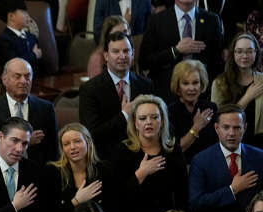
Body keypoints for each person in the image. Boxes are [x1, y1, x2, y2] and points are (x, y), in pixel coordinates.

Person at [113, 94, 188, 212]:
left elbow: (183, 193)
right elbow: (117, 198)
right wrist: (141, 173)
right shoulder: (123, 151)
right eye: (143, 118)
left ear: (162, 121)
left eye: (154, 117)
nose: (149, 122)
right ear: (135, 123)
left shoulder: (172, 149)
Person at [191, 105, 263, 212]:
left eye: (237, 128)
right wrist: (232, 190)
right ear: (216, 128)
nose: (231, 133)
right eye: (226, 127)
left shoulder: (259, 157)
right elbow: (196, 204)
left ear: (245, 128)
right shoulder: (201, 161)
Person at [78, 31, 155, 160]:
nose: (122, 56)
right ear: (106, 56)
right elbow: (92, 134)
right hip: (106, 159)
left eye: (126, 51)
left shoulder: (146, 85)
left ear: (133, 54)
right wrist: (124, 115)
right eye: (116, 51)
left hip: (143, 155)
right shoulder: (90, 89)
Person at [44, 123, 116, 212]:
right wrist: (76, 201)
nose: (72, 147)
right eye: (66, 144)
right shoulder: (52, 172)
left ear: (88, 142)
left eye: (77, 141)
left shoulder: (104, 170)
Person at [139, 0, 223, 100]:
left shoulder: (212, 19)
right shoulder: (157, 20)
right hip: (166, 93)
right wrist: (175, 51)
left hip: (202, 95)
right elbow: (144, 61)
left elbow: (217, 63)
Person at [0, 58, 57, 167]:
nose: (23, 81)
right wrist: (25, 142)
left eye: (27, 76)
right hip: (2, 173)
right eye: (17, 76)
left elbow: (53, 151)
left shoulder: (46, 108)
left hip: (37, 173)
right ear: (4, 79)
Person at [211, 33, 263, 149]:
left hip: (259, 143)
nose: (244, 56)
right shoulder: (219, 83)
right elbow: (219, 119)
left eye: (250, 51)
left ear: (256, 53)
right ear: (232, 54)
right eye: (239, 51)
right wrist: (247, 97)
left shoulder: (262, 80)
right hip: (230, 143)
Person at [168, 59, 217, 163]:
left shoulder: (210, 108)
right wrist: (196, 127)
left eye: (195, 83)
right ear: (178, 86)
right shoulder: (170, 111)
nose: (191, 88)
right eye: (185, 83)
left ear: (201, 84)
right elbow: (176, 150)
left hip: (209, 165)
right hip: (182, 167)